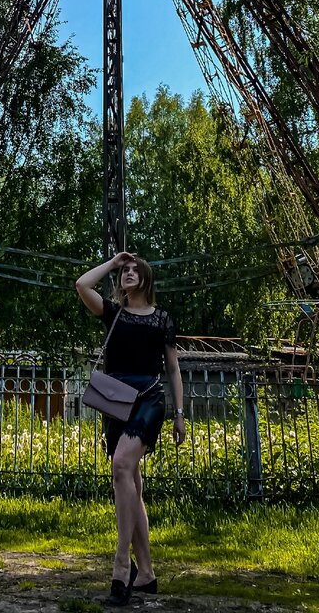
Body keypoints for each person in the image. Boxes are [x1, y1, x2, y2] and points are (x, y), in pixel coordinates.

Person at [75, 250, 186, 606]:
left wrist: (180, 413)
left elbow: (172, 369)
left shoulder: (162, 319)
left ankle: (122, 566)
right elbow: (81, 284)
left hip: (149, 399)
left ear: (147, 279)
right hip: (116, 399)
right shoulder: (112, 312)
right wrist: (112, 262)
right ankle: (148, 574)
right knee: (131, 484)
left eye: (136, 270)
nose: (129, 273)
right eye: (126, 271)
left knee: (121, 466)